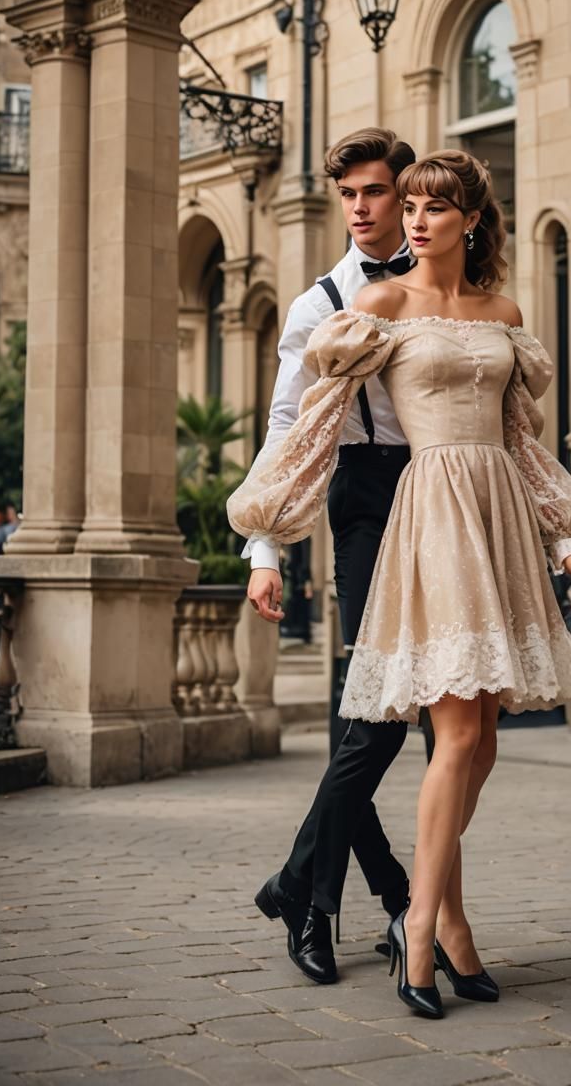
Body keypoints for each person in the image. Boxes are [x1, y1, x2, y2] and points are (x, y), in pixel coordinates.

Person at [229, 150, 571, 1018]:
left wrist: (564, 544)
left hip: (499, 516)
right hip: (411, 509)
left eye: (430, 204)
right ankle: (412, 926)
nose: (410, 215)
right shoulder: (362, 307)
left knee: (477, 740)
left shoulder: (505, 314)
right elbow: (303, 429)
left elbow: (522, 442)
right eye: (409, 203)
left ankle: (436, 922)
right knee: (417, 729)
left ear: (469, 218)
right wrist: (264, 542)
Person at [240, 127, 420, 985]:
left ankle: (314, 886)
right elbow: (285, 424)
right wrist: (265, 547)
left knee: (380, 715)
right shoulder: (319, 303)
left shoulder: (444, 291)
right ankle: (346, 900)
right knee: (374, 708)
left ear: (404, 192)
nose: (359, 208)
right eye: (347, 194)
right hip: (359, 502)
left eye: (374, 191)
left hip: (442, 494)